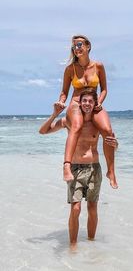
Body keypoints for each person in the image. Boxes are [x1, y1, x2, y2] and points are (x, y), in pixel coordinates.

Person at [39, 88, 118, 249]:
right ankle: (73, 245)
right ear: (80, 103)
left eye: (90, 101)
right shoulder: (70, 122)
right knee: (75, 208)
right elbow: (43, 131)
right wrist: (55, 114)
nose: (87, 104)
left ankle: (91, 242)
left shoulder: (98, 125)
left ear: (95, 103)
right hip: (76, 169)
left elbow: (111, 144)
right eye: (84, 101)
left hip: (94, 168)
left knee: (92, 208)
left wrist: (116, 145)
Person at [55, 34, 117, 189]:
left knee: (108, 131)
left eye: (79, 44)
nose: (76, 48)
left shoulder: (98, 66)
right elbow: (64, 92)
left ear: (88, 46)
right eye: (74, 46)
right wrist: (61, 102)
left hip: (93, 103)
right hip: (76, 103)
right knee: (76, 127)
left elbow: (104, 90)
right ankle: (67, 166)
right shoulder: (70, 69)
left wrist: (99, 103)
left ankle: (111, 171)